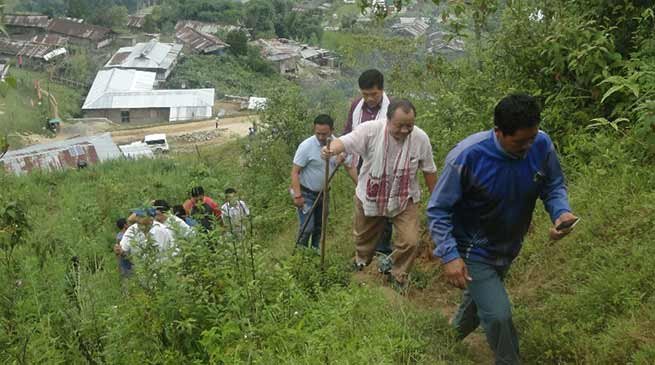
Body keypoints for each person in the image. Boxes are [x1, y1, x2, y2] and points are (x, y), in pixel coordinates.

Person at [426, 93, 578, 365]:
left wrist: (560, 212)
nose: (528, 147)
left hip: (508, 243)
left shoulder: (541, 144)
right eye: (520, 142)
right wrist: (449, 256)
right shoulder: (467, 157)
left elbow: (553, 185)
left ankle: (438, 345)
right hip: (473, 247)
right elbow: (438, 209)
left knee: (477, 307)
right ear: (498, 132)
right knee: (498, 314)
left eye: (532, 138)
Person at [321, 99, 437, 289]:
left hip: (403, 197)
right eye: (400, 126)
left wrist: (436, 199)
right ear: (388, 119)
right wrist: (330, 149)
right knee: (364, 237)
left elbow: (429, 169)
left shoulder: (420, 138)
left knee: (411, 241)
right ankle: (361, 262)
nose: (405, 131)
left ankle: (397, 274)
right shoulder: (370, 130)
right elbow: (345, 142)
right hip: (370, 194)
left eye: (410, 126)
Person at [342, 69, 394, 256]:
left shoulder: (392, 107)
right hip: (362, 161)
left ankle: (383, 249)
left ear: (382, 89)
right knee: (364, 202)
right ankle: (364, 252)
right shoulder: (357, 105)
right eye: (365, 94)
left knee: (384, 207)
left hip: (386, 163)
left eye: (374, 94)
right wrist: (341, 149)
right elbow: (348, 130)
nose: (370, 98)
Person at [290, 114, 353, 249]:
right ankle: (300, 257)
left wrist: (359, 186)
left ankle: (314, 252)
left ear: (332, 130)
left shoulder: (339, 145)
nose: (321, 137)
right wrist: (297, 196)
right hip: (306, 193)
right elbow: (295, 172)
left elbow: (349, 166)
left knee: (319, 227)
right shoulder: (306, 146)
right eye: (318, 133)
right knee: (308, 227)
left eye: (324, 134)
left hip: (324, 194)